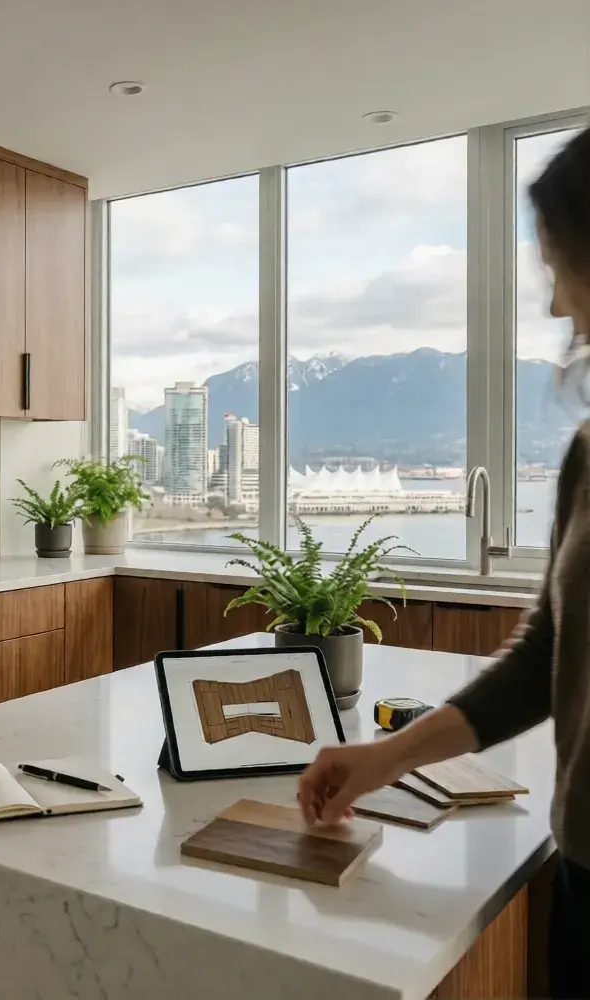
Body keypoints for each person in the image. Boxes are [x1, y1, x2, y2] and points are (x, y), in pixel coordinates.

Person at [298, 125, 590, 1000]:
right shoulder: (588, 452)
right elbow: (550, 657)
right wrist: (385, 758)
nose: (555, 308)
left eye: (560, 266)